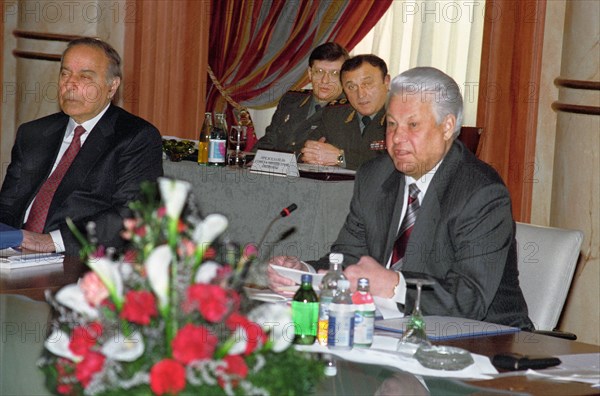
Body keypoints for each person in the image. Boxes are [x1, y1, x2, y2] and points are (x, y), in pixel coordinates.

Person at [269, 66, 533, 329]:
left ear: (447, 126)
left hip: (485, 339)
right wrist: (306, 273)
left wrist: (393, 285)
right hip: (389, 328)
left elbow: (469, 299)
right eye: (392, 124)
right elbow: (350, 256)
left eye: (413, 125)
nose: (397, 138)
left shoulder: (480, 191)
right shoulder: (375, 176)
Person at [0, 38, 163, 255]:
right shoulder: (33, 133)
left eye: (85, 77)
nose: (70, 84)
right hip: (13, 254)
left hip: (78, 259)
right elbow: (7, 206)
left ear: (112, 86)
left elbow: (131, 215)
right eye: (65, 74)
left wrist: (51, 242)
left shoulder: (135, 137)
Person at [254, 42, 349, 153]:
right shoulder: (290, 100)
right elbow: (268, 141)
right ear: (310, 73)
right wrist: (250, 161)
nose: (325, 80)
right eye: (319, 72)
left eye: (334, 73)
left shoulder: (350, 110)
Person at [299, 54, 389, 170]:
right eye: (351, 87)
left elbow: (395, 165)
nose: (361, 94)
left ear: (386, 82)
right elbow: (303, 151)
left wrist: (341, 158)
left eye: (367, 84)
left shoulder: (403, 117)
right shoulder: (335, 115)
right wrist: (311, 155)